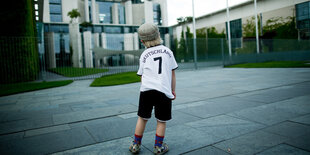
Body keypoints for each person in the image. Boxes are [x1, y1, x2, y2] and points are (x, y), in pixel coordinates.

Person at [129, 23, 178, 154]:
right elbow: (172, 74)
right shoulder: (168, 52)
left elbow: (142, 75)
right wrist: (172, 90)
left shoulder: (144, 55)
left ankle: (135, 145)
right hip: (163, 91)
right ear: (159, 35)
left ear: (142, 41)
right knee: (161, 121)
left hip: (146, 91)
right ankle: (158, 147)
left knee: (142, 118)